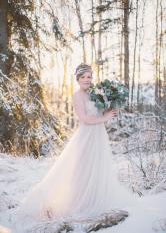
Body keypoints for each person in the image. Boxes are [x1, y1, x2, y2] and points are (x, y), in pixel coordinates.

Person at [12, 64, 135, 232]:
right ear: (77, 79)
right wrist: (104, 117)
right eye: (83, 77)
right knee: (82, 169)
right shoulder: (77, 96)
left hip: (99, 136)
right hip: (86, 136)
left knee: (97, 168)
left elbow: (101, 115)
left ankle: (94, 199)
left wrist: (110, 109)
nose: (86, 80)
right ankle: (79, 202)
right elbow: (85, 119)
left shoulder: (96, 93)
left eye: (89, 77)